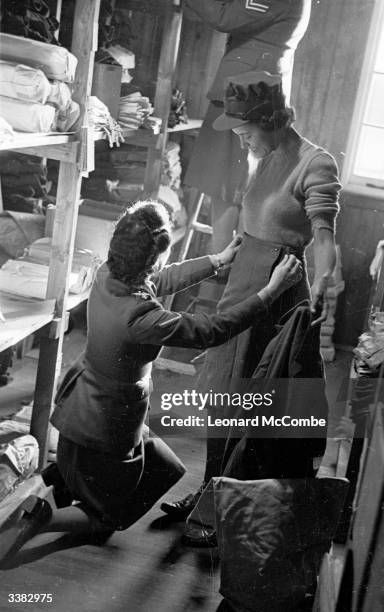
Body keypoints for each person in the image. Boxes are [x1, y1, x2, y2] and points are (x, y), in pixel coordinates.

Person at [0, 200, 303, 562]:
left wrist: (218, 260)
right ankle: (45, 518)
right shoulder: (142, 317)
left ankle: (70, 482)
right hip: (105, 426)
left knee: (168, 469)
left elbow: (161, 279)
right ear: (151, 259)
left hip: (84, 412)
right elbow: (211, 329)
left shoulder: (107, 275)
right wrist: (268, 293)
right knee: (108, 519)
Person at [161, 71, 342, 525]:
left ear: (270, 119)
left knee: (249, 405)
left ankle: (226, 508)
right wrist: (223, 260)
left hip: (277, 290)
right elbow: (253, 223)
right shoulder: (263, 154)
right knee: (221, 396)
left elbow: (323, 233)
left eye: (246, 132)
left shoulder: (315, 163)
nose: (242, 142)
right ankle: (209, 492)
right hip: (243, 282)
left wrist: (324, 279)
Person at [184, 0, 312, 252]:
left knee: (226, 192)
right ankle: (223, 279)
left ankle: (219, 281)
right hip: (250, 96)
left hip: (244, 99)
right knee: (230, 192)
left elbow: (224, 17)